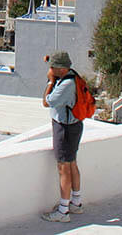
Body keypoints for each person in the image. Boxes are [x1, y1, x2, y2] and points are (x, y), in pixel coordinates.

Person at [41, 51, 83, 223]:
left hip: (65, 128)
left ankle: (63, 211)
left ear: (61, 68)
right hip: (74, 126)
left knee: (63, 168)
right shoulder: (73, 77)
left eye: (52, 67)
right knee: (72, 162)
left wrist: (50, 82)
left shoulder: (66, 85)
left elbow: (46, 101)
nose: (50, 69)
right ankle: (76, 203)